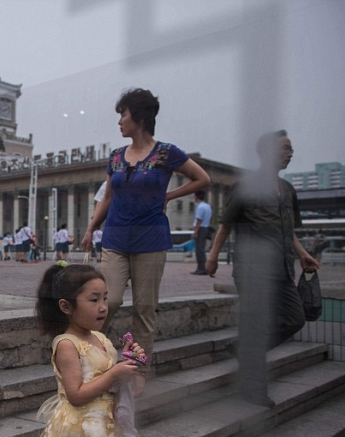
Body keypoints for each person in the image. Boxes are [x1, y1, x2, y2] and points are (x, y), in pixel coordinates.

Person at [20, 263, 151, 437]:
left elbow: (106, 378)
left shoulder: (100, 338)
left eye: (105, 298)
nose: (103, 307)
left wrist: (128, 362)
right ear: (66, 306)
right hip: (78, 431)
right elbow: (76, 394)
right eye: (93, 300)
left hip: (99, 429)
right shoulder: (67, 344)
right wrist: (115, 374)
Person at [81, 88, 210, 373]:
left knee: (144, 308)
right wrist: (91, 228)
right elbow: (107, 197)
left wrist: (169, 195)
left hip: (150, 239)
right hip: (115, 237)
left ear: (138, 117)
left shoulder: (166, 153)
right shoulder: (116, 157)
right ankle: (94, 359)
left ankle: (136, 371)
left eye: (123, 115)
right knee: (109, 300)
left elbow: (202, 178)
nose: (119, 122)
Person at [206, 130, 318, 407]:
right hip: (252, 270)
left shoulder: (288, 190)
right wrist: (213, 256)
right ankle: (253, 390)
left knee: (295, 318)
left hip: (283, 268)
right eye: (285, 148)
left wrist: (303, 254)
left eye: (291, 148)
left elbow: (289, 230)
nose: (290, 153)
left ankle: (244, 349)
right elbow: (226, 224)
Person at [191, 189, 213, 275]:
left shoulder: (200, 207)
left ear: (197, 197)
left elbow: (199, 220)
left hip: (201, 229)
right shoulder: (208, 206)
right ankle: (203, 267)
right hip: (206, 228)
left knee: (199, 250)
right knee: (202, 249)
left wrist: (195, 232)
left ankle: (201, 268)